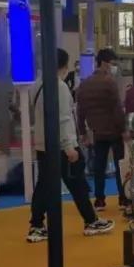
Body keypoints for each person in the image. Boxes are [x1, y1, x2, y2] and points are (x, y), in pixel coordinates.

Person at [27, 48, 114, 242]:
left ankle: (37, 225)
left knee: (45, 185)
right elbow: (64, 118)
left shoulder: (37, 85)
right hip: (61, 146)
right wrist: (69, 146)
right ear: (64, 66)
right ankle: (90, 221)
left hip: (43, 144)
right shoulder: (59, 87)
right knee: (77, 184)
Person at [77, 48, 126, 211]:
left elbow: (80, 110)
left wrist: (83, 132)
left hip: (97, 132)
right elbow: (117, 109)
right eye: (113, 63)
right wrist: (124, 129)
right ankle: (123, 198)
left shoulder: (85, 84)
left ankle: (99, 200)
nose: (114, 67)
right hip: (114, 130)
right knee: (120, 165)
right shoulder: (109, 82)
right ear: (104, 63)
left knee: (99, 166)